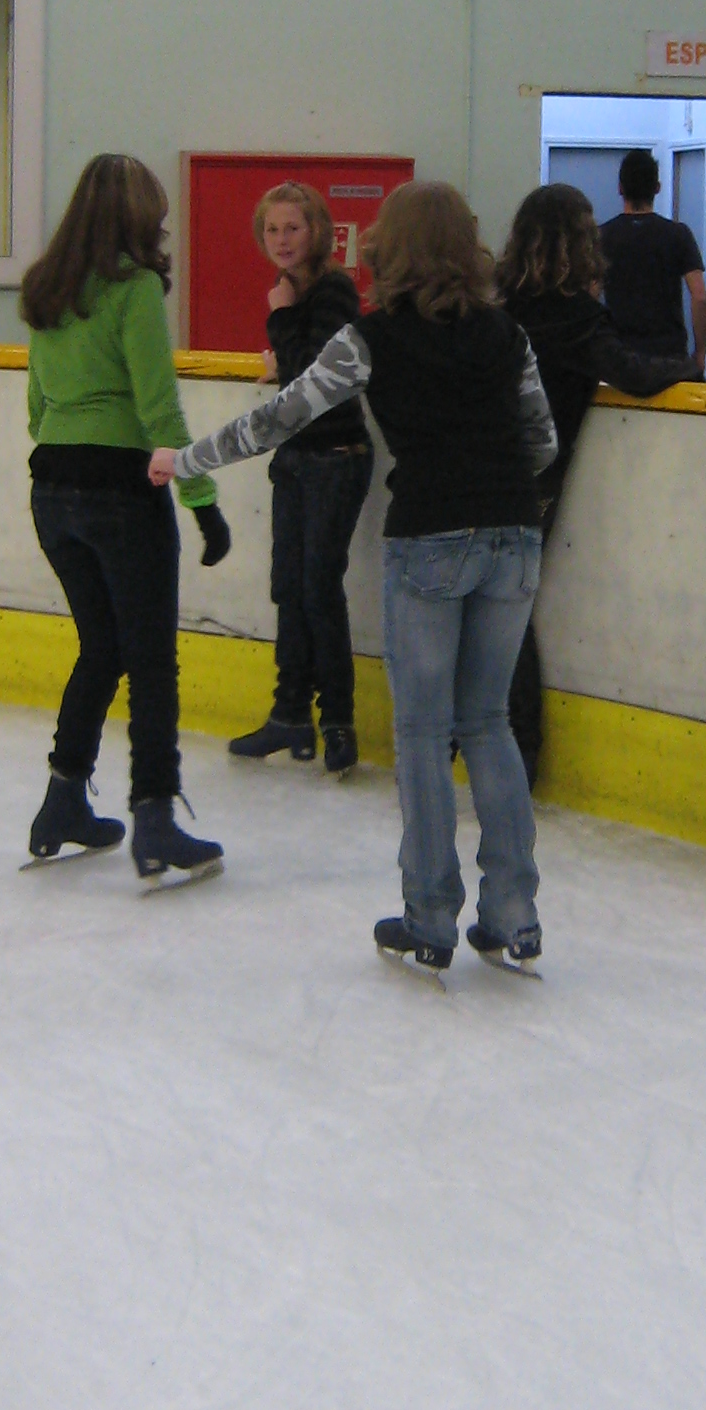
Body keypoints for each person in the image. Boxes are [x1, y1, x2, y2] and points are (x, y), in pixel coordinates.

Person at [152, 180, 555, 976]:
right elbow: (539, 439)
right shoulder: (507, 333)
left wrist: (187, 459)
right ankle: (514, 913)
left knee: (420, 731)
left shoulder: (370, 339)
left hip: (429, 540)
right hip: (514, 537)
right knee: (488, 725)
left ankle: (430, 916)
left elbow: (280, 416)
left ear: (385, 250)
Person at [21, 152, 229, 882]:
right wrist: (202, 502)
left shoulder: (47, 290)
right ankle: (155, 821)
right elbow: (158, 409)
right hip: (119, 489)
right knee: (149, 661)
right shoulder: (133, 288)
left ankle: (62, 801)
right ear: (139, 217)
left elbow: (37, 407)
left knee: (100, 650)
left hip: (52, 491)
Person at [499, 182, 699, 788]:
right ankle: (521, 751)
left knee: (482, 607)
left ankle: (480, 739)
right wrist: (692, 366)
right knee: (507, 611)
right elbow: (633, 374)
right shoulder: (574, 317)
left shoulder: (501, 302)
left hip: (476, 461)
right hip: (529, 475)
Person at [227, 181, 375, 776]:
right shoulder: (293, 291)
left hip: (336, 456)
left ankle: (337, 720)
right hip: (294, 457)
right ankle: (290, 715)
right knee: (288, 585)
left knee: (317, 588)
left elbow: (314, 380)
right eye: (271, 229)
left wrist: (280, 318)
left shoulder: (335, 291)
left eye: (292, 227)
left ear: (317, 230)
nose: (281, 240)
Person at [601, 147, 706, 370]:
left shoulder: (601, 237)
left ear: (620, 188)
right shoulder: (678, 234)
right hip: (669, 359)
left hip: (621, 360)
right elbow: (699, 297)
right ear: (657, 188)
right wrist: (700, 353)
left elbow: (589, 295)